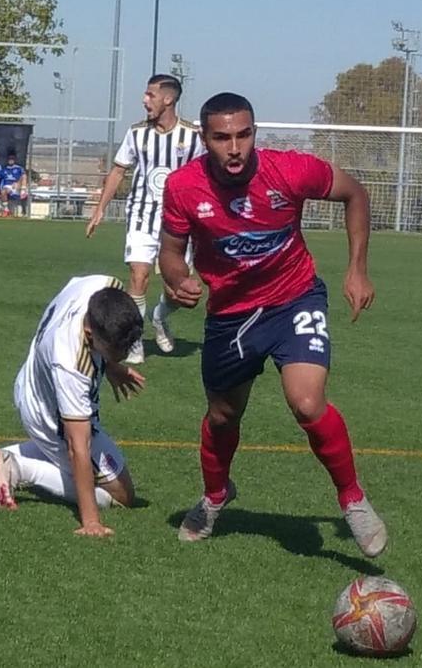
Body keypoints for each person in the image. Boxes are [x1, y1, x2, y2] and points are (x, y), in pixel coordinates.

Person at [159, 92, 387, 556]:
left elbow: (355, 193)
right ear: (205, 139)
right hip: (230, 316)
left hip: (294, 297)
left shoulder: (290, 169)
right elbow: (168, 250)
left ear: (255, 133)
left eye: (244, 134)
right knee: (224, 416)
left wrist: (357, 268)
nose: (235, 147)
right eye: (222, 138)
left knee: (306, 402)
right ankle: (216, 494)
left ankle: (353, 500)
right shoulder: (183, 187)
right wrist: (177, 279)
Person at [0, 275, 145, 537]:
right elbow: (77, 446)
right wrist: (91, 521)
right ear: (89, 333)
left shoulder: (104, 286)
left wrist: (111, 365)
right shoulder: (72, 365)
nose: (128, 352)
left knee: (88, 468)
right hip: (49, 415)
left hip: (31, 382)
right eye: (119, 348)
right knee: (120, 494)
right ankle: (17, 467)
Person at [86, 74, 205, 363]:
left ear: (168, 99)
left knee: (178, 292)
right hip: (141, 215)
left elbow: (205, 174)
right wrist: (101, 207)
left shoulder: (192, 136)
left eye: (150, 95)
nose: (144, 100)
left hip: (178, 223)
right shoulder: (136, 133)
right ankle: (135, 339)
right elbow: (118, 170)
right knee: (138, 276)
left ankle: (160, 315)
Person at [0, 152, 28, 216]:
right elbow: (0, 179)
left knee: (23, 177)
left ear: (15, 160)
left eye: (12, 159)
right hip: (8, 186)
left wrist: (18, 183)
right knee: (3, 191)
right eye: (9, 159)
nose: (11, 160)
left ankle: (24, 211)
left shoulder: (19, 168)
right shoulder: (4, 169)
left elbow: (24, 176)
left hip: (18, 186)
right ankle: (6, 210)